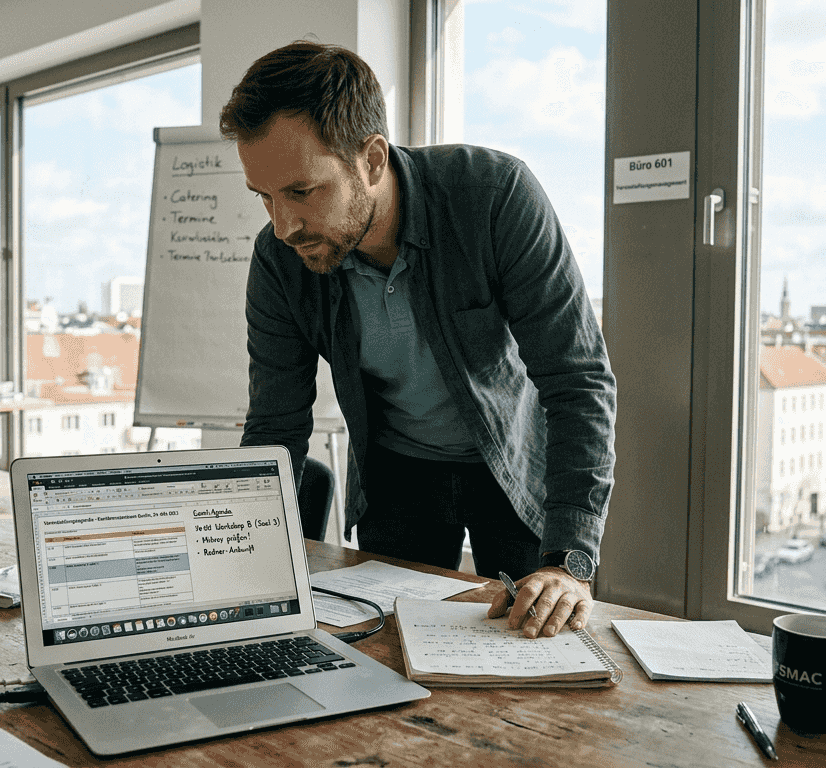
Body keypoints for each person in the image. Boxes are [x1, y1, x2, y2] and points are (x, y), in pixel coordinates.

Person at [221, 42, 615, 638]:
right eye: (265, 198)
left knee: (536, 643)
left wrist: (572, 562)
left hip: (512, 464)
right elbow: (276, 425)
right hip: (397, 473)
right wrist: (242, 560)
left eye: (302, 192)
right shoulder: (279, 260)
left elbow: (576, 379)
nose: (284, 226)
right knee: (388, 652)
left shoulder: (494, 196)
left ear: (372, 160)